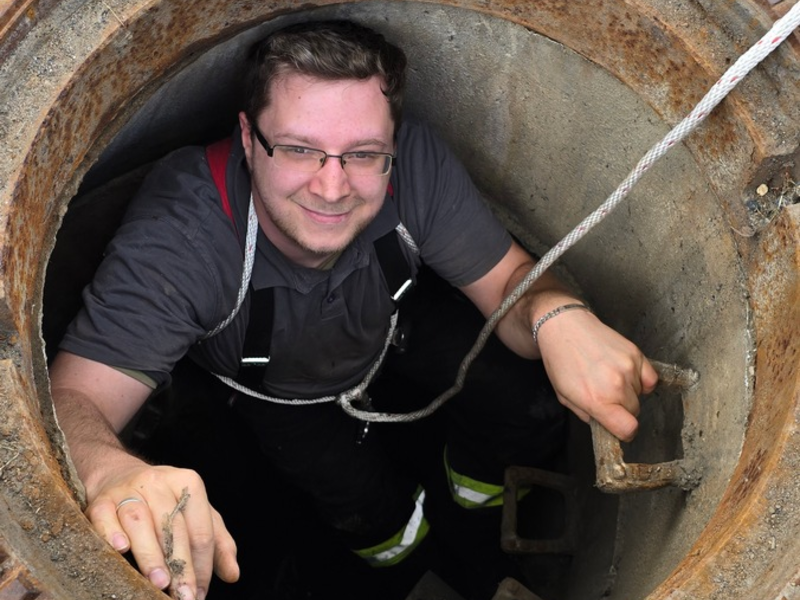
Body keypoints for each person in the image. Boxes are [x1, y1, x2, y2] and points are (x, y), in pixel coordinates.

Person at [49, 19, 657, 600]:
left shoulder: (414, 165)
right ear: (246, 138)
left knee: (524, 400)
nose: (332, 187)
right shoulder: (185, 237)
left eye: (363, 154)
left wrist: (558, 314)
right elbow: (74, 402)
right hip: (282, 400)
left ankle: (472, 512)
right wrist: (110, 472)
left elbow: (511, 284)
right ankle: (409, 566)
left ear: (392, 145)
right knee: (368, 508)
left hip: (387, 329)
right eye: (298, 148)